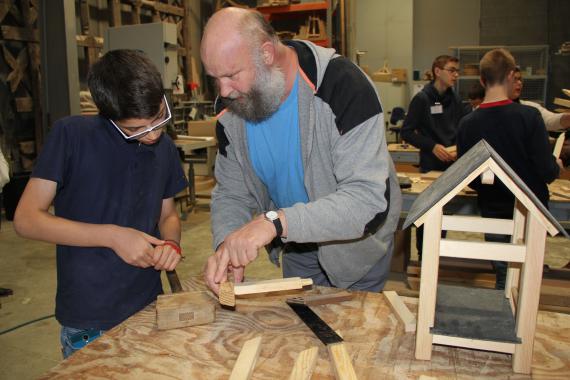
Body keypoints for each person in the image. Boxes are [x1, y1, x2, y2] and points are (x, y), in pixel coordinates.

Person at [201, 7, 402, 294]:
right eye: (214, 78)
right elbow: (232, 192)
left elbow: (366, 200)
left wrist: (275, 222)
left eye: (231, 75)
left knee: (356, 335)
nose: (224, 91)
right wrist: (227, 245)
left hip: (355, 251)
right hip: (296, 247)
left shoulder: (343, 86)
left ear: (267, 54)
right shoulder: (231, 113)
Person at [13, 50, 188, 358]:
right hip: (90, 315)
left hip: (148, 305)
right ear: (109, 116)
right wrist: (113, 236)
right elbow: (27, 219)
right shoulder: (71, 136)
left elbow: (168, 214)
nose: (154, 134)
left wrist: (171, 244)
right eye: (137, 129)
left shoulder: (166, 150)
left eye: (160, 118)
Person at [457, 48, 562, 289]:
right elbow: (546, 171)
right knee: (527, 276)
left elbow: (468, 178)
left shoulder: (467, 124)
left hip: (493, 207)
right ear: (512, 75)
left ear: (482, 80)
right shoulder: (529, 116)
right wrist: (556, 165)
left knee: (503, 272)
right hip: (530, 209)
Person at [401, 55, 469, 260]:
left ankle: (436, 256)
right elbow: (407, 132)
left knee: (444, 214)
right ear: (438, 71)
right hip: (431, 166)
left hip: (452, 164)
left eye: (457, 71)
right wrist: (432, 146)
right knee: (428, 214)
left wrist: (458, 147)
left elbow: (461, 128)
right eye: (452, 70)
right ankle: (424, 257)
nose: (456, 75)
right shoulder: (422, 99)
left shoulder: (455, 99)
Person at [510, 66, 570, 165]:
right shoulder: (489, 112)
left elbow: (551, 120)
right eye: (514, 80)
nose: (519, 83)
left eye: (520, 79)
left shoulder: (530, 108)